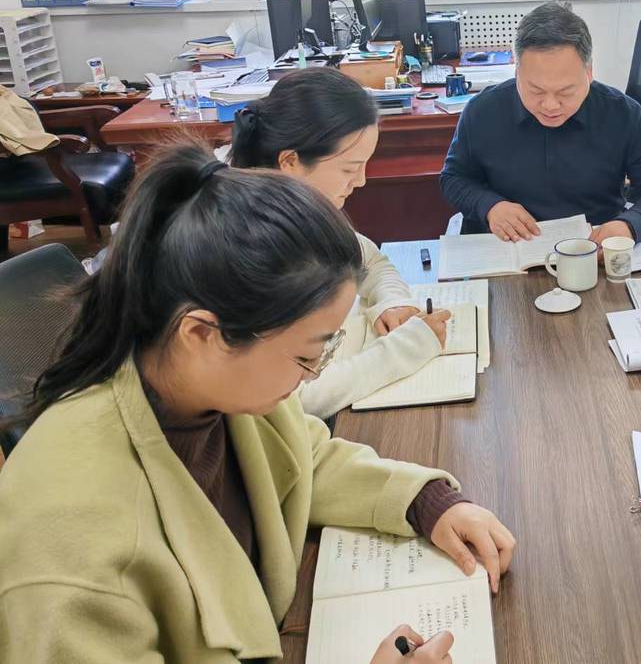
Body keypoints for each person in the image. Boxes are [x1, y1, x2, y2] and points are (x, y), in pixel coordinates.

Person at [0, 143, 515, 662]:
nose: (313, 373)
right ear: (202, 333)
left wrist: (425, 502)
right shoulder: (70, 549)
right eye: (308, 354)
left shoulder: (211, 388)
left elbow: (302, 459)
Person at [230, 67, 450, 419]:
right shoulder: (247, 242)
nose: (360, 181)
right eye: (350, 169)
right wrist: (406, 348)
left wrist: (391, 302)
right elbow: (292, 399)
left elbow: (371, 262)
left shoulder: (301, 207)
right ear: (290, 161)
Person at [440, 2, 641, 245]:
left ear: (589, 72)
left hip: (593, 250)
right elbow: (454, 178)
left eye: (566, 91)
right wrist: (490, 206)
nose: (550, 105)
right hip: (506, 249)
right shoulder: (483, 111)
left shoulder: (623, 113)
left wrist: (629, 225)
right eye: (535, 90)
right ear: (517, 70)